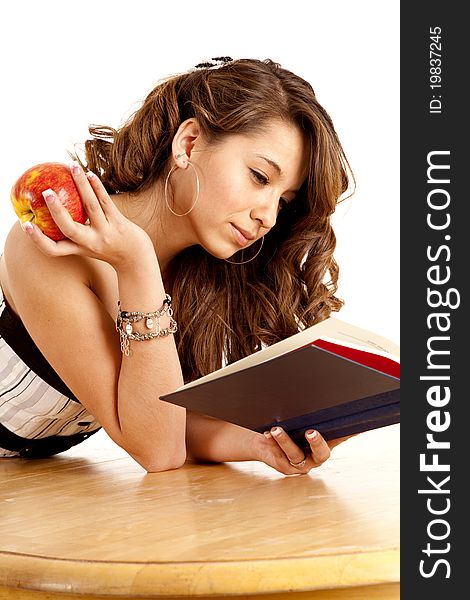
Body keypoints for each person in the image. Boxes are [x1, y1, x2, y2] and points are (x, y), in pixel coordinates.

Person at [0, 57, 353, 474]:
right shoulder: (55, 244)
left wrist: (261, 445)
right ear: (188, 144)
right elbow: (158, 452)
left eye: (283, 201)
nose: (269, 217)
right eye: (259, 176)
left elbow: (160, 421)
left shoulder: (199, 275)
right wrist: (138, 265)